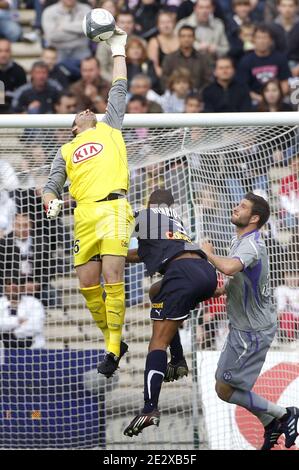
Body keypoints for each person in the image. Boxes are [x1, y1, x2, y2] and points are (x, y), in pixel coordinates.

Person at [42, 28, 134, 379]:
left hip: (113, 208)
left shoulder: (111, 126)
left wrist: (118, 50)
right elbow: (50, 186)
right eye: (79, 113)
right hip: (83, 215)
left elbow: (119, 88)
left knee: (113, 277)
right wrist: (51, 202)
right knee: (87, 284)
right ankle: (115, 340)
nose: (85, 110)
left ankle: (111, 350)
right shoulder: (65, 151)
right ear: (74, 128)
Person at [201, 192, 299, 450]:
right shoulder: (241, 241)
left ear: (254, 218)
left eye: (242, 206)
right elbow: (238, 278)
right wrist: (221, 291)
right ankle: (270, 420)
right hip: (243, 328)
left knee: (224, 387)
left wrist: (207, 254)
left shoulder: (251, 245)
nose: (236, 207)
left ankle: (284, 414)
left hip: (252, 332)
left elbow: (231, 268)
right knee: (222, 388)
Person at [123, 188, 217, 437]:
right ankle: (177, 359)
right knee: (155, 291)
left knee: (156, 343)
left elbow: (122, 219)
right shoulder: (177, 221)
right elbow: (143, 254)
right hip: (205, 273)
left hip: (182, 274)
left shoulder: (146, 214)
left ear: (150, 204)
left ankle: (149, 408)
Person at [237, 24, 291, 104]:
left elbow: (285, 84)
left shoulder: (280, 58)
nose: (262, 41)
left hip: (278, 98)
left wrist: (275, 99)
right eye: (259, 38)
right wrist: (262, 99)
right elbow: (244, 88)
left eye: (265, 37)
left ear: (271, 40)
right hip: (255, 99)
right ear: (253, 40)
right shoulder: (245, 61)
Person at [161, 25, 211, 93]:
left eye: (189, 36)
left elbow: (208, 80)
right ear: (178, 38)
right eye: (183, 36)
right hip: (175, 96)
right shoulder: (170, 58)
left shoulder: (203, 58)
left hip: (198, 98)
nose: (186, 39)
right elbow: (164, 79)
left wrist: (198, 94)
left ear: (194, 38)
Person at [0, 38, 27, 114]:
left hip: (14, 110)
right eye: (0, 51)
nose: (3, 54)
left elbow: (24, 94)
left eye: (6, 51)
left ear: (11, 52)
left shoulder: (19, 71)